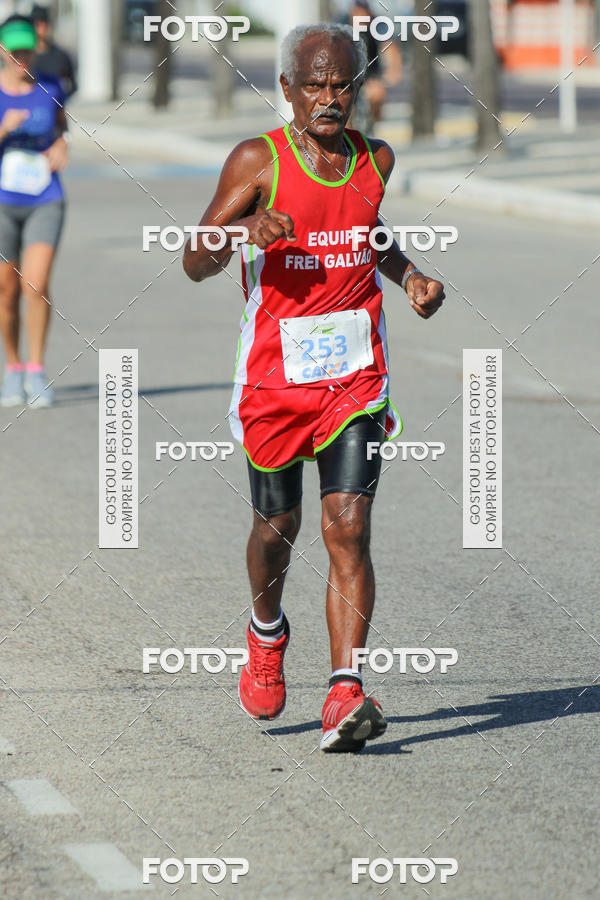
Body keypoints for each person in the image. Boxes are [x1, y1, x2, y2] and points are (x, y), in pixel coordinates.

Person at [183, 24, 444, 752]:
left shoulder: (375, 158)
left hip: (354, 377)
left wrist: (409, 274)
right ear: (289, 90)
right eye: (316, 86)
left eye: (343, 86)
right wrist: (243, 231)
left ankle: (344, 691)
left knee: (349, 527)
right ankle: (267, 631)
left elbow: (368, 228)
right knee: (277, 530)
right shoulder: (255, 160)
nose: (330, 98)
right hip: (275, 380)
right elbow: (191, 260)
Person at [0, 14, 70, 408]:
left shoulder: (50, 87)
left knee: (35, 285)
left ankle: (36, 369)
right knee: (6, 291)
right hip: (2, 202)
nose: (21, 56)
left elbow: (62, 129)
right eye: (14, 50)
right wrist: (3, 130)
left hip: (46, 197)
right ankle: (12, 368)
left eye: (26, 48)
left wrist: (63, 146)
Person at [347, 0, 402, 129]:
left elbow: (390, 46)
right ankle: (347, 139)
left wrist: (394, 70)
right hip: (348, 75)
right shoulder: (343, 24)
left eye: (364, 14)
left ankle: (374, 124)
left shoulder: (378, 25)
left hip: (371, 73)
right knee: (346, 106)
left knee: (378, 94)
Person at [31, 4, 76, 99]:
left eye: (45, 24)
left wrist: (59, 99)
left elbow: (73, 85)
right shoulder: (25, 58)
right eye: (38, 25)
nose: (42, 29)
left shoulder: (61, 56)